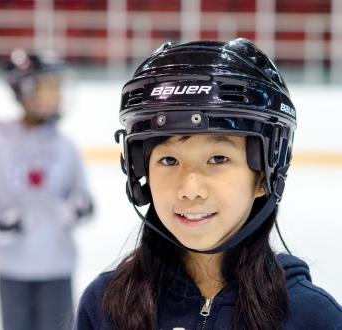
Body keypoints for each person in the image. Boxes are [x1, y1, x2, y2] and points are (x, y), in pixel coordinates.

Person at [74, 39, 342, 330]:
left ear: (265, 175)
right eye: (168, 161)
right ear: (140, 171)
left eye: (217, 159)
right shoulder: (104, 306)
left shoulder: (314, 318)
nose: (190, 189)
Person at [0, 48, 94, 330]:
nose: (57, 95)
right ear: (24, 90)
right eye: (49, 87)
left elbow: (83, 196)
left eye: (58, 87)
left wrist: (79, 208)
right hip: (12, 268)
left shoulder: (66, 147)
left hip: (57, 267)